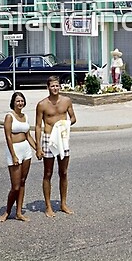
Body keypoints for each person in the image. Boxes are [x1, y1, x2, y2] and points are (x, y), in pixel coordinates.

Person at [35, 75, 77, 218]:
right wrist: (38, 147)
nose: (55, 88)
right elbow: (38, 126)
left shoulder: (66, 101)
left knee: (63, 172)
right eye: (52, 86)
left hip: (63, 138)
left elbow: (73, 118)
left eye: (57, 85)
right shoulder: (42, 104)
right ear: (48, 87)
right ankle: (48, 206)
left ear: (60, 86)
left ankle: (63, 203)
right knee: (48, 173)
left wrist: (64, 125)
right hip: (48, 138)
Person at [0, 91, 36, 222]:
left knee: (22, 182)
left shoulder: (25, 116)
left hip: (26, 150)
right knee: (15, 186)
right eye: (17, 101)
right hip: (14, 150)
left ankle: (19, 212)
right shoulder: (9, 117)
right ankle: (8, 211)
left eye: (21, 101)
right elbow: (8, 136)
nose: (20, 103)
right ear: (13, 103)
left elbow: (28, 136)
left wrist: (37, 149)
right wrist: (14, 155)